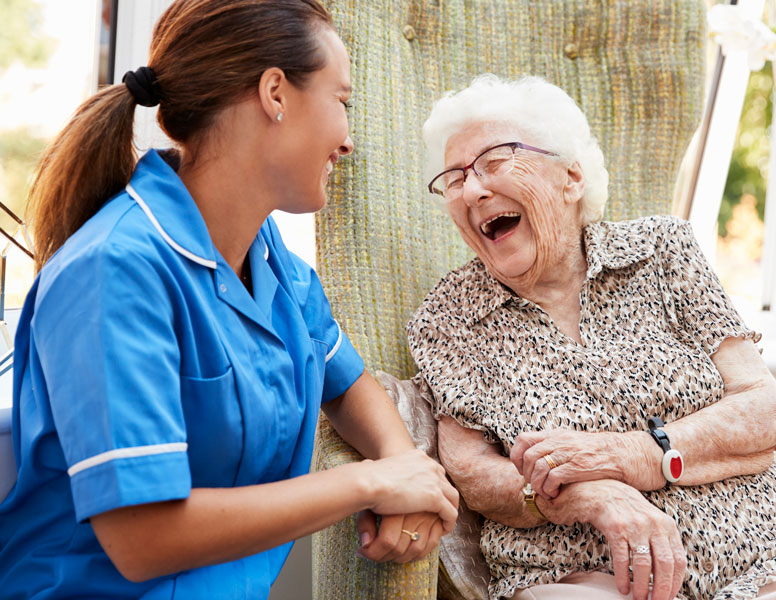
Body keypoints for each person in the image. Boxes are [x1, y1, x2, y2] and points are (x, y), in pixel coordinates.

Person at [0, 1, 459, 598]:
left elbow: (343, 380)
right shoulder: (113, 271)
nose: (347, 140)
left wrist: (408, 469)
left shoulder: (265, 254)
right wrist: (371, 483)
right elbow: (143, 538)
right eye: (341, 101)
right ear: (275, 93)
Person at [406, 74, 776, 600]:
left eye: (495, 162)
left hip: (770, 549)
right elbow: (475, 476)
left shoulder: (662, 250)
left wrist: (628, 456)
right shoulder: (448, 315)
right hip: (584, 571)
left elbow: (761, 413)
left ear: (571, 179)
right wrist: (594, 497)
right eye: (454, 179)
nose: (473, 189)